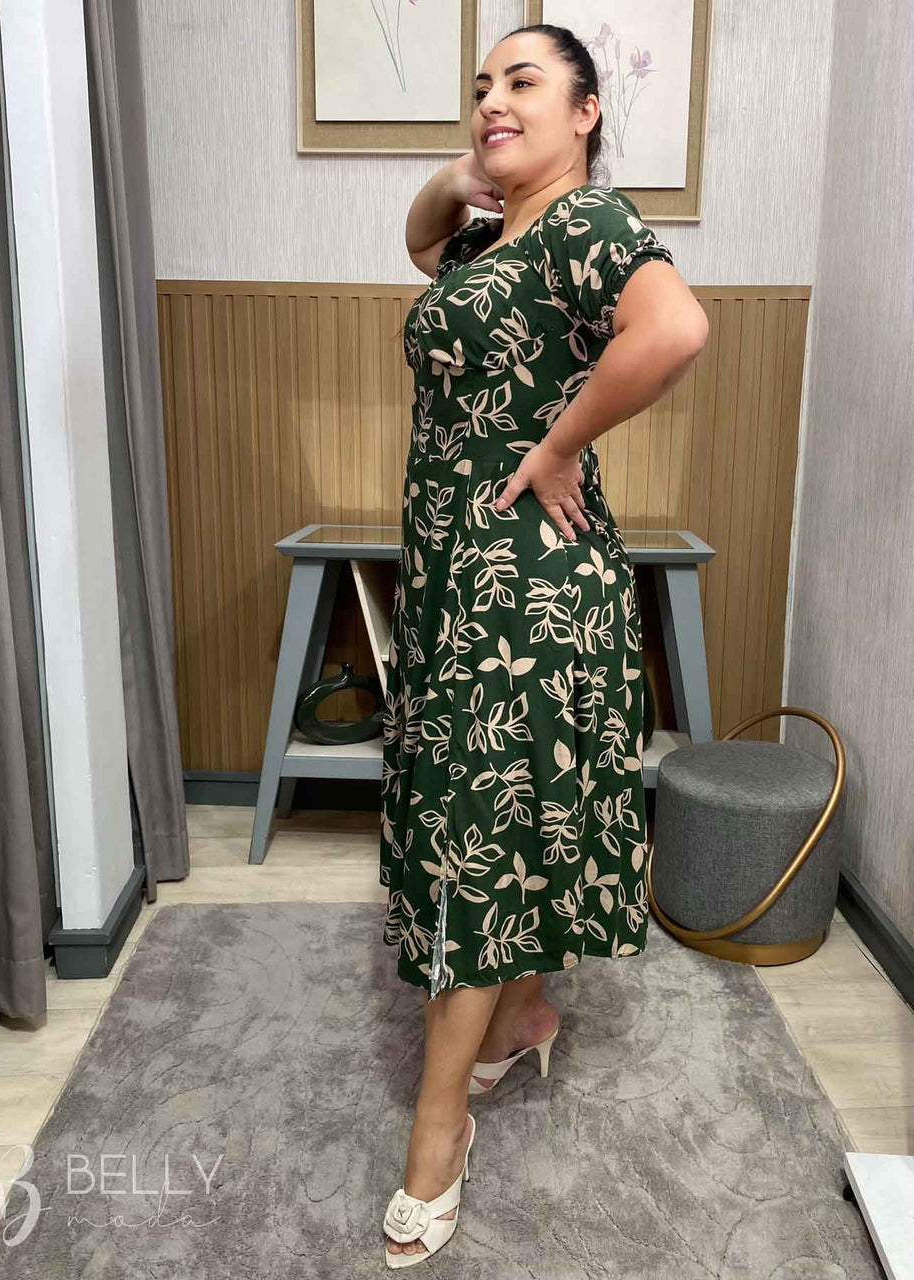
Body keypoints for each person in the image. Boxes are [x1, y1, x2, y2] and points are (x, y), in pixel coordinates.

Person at [378, 21, 708, 1266]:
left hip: (528, 587)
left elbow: (674, 331)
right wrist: (460, 172)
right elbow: (419, 241)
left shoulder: (586, 224)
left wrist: (562, 442)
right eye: (481, 86)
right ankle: (522, 1016)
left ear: (586, 113)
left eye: (524, 82)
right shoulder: (491, 238)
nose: (492, 100)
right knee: (503, 815)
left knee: (477, 833)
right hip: (460, 574)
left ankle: (438, 1129)